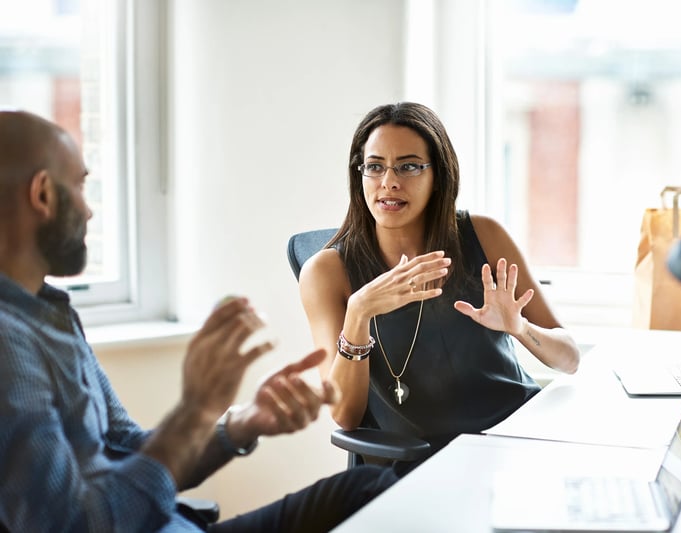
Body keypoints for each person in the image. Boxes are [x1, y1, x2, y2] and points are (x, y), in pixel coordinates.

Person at [0, 110, 397, 532]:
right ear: (43, 194)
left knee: (372, 488)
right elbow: (73, 525)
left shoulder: (49, 312)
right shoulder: (8, 342)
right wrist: (195, 408)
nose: (89, 211)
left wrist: (244, 423)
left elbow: (135, 452)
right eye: (80, 186)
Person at [297, 102, 581, 474]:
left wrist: (521, 329)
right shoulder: (326, 271)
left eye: (409, 166)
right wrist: (359, 312)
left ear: (439, 175)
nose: (389, 182)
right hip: (422, 464)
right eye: (375, 166)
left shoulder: (484, 235)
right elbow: (345, 416)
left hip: (516, 444)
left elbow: (570, 359)